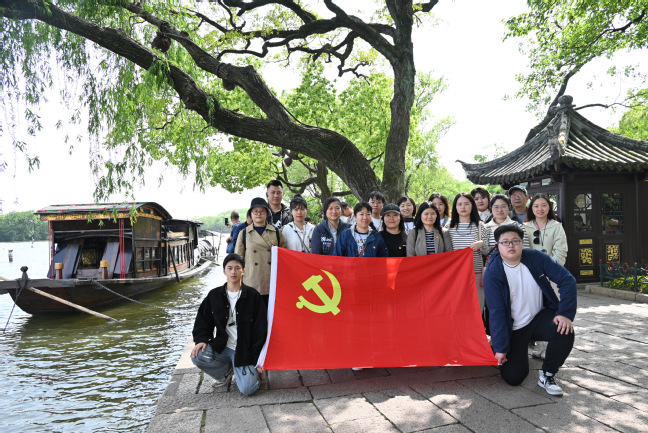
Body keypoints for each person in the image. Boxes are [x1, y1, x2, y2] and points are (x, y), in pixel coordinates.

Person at [484, 224, 576, 396]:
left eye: (515, 241)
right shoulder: (493, 272)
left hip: (539, 318)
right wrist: (501, 347)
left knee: (564, 329)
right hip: (514, 328)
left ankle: (547, 374)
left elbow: (567, 280)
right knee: (513, 378)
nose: (510, 245)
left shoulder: (536, 258)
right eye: (505, 242)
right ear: (497, 246)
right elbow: (497, 313)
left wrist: (565, 313)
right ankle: (516, 350)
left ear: (522, 242)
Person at [190, 253, 267, 396]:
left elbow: (260, 329)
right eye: (229, 268)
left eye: (237, 268)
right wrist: (201, 340)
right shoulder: (214, 295)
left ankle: (251, 373)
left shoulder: (253, 296)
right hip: (223, 347)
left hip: (245, 350)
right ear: (224, 271)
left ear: (243, 271)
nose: (233, 272)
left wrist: (259, 359)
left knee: (248, 389)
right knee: (197, 355)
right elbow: (203, 321)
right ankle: (225, 373)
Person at [235, 197, 286, 306]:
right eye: (255, 211)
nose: (258, 214)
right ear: (251, 214)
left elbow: (283, 257)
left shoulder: (276, 232)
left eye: (262, 211)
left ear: (267, 213)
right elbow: (238, 261)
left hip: (271, 281)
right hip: (251, 281)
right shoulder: (243, 233)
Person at [447, 193, 491, 309]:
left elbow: (487, 252)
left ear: (472, 206)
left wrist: (482, 244)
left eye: (466, 204)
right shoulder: (448, 227)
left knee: (476, 307)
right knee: (457, 307)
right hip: (455, 274)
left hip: (475, 273)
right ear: (455, 207)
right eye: (459, 204)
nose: (463, 207)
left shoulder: (481, 226)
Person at [524, 194, 568, 266]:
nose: (540, 209)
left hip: (552, 268)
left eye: (544, 205)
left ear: (549, 207)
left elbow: (561, 251)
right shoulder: (524, 227)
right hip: (530, 269)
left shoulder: (556, 226)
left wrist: (551, 268)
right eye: (536, 206)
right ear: (531, 208)